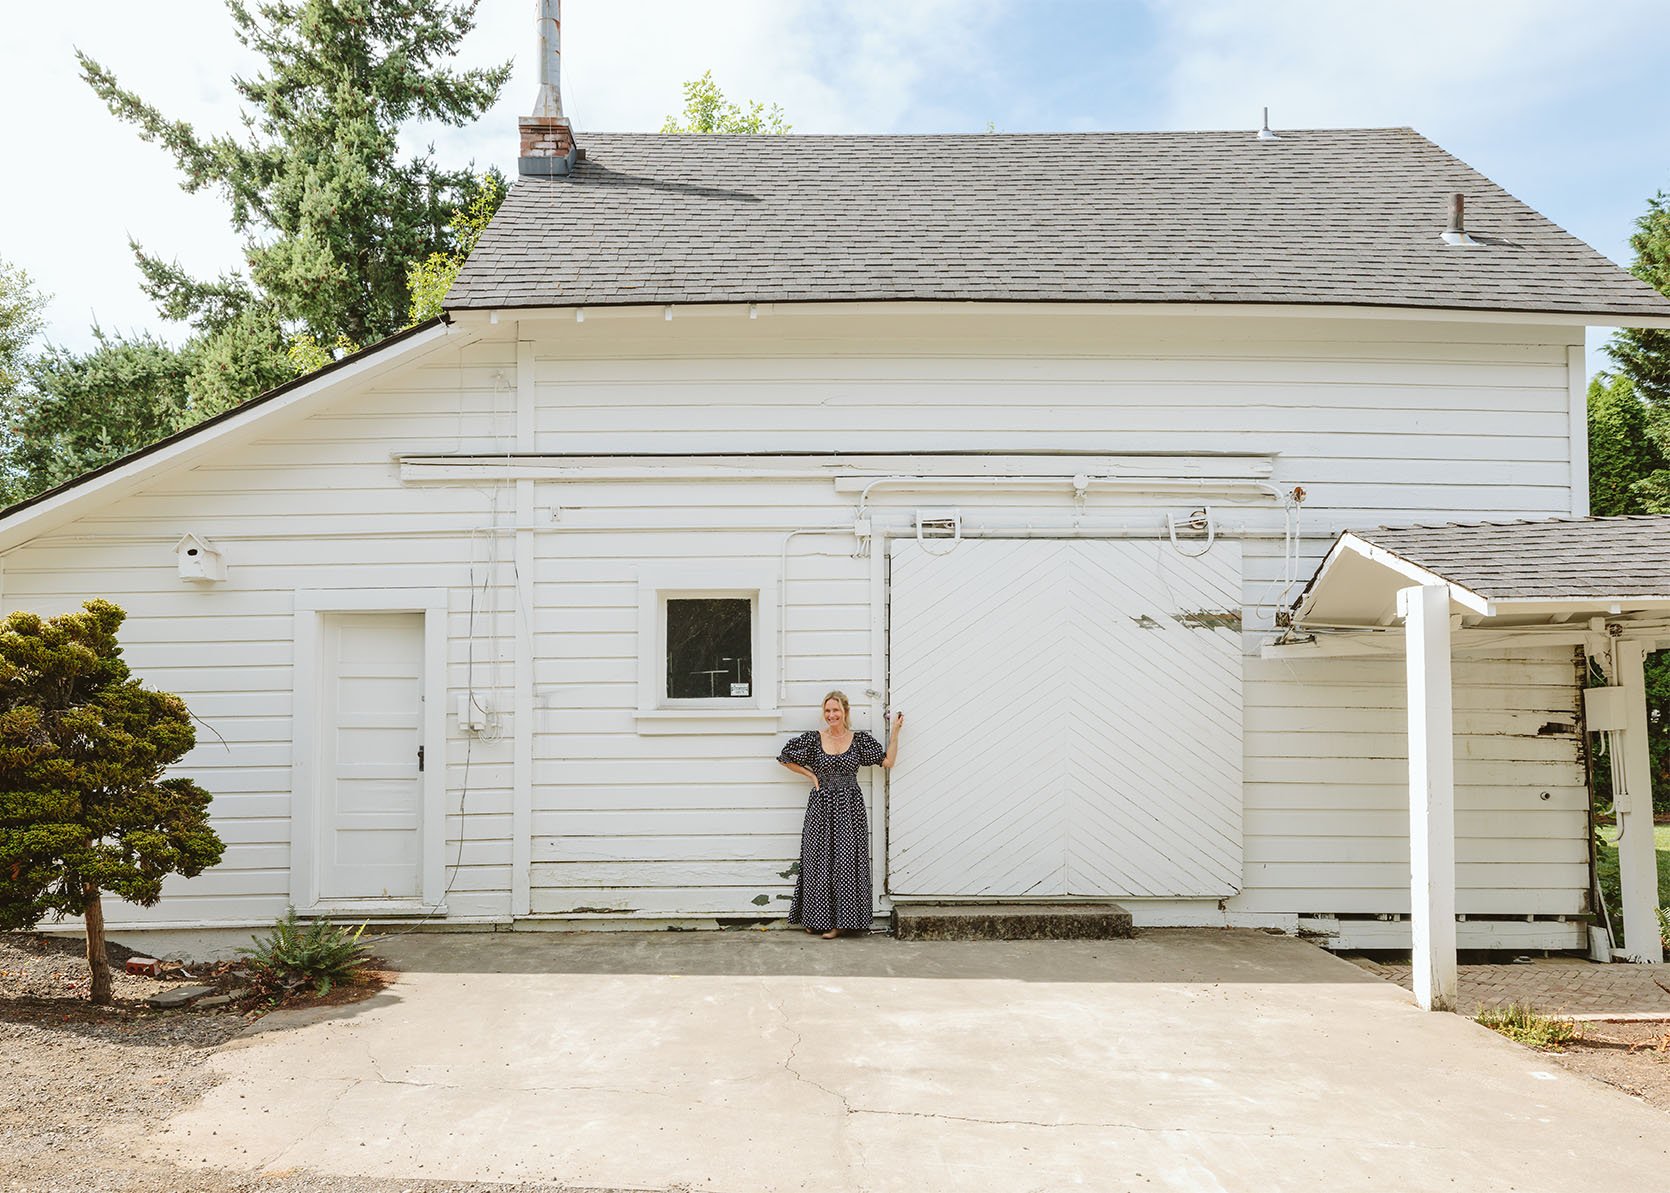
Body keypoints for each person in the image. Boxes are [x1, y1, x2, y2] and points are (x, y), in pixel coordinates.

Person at [776, 692, 903, 939]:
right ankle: (816, 918)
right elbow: (785, 758)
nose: (831, 715)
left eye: (836, 710)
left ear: (845, 711)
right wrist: (812, 776)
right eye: (827, 711)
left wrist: (896, 732)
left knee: (844, 863)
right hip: (821, 805)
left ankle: (841, 923)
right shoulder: (814, 740)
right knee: (818, 860)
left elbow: (888, 761)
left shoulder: (859, 741)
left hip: (849, 807)